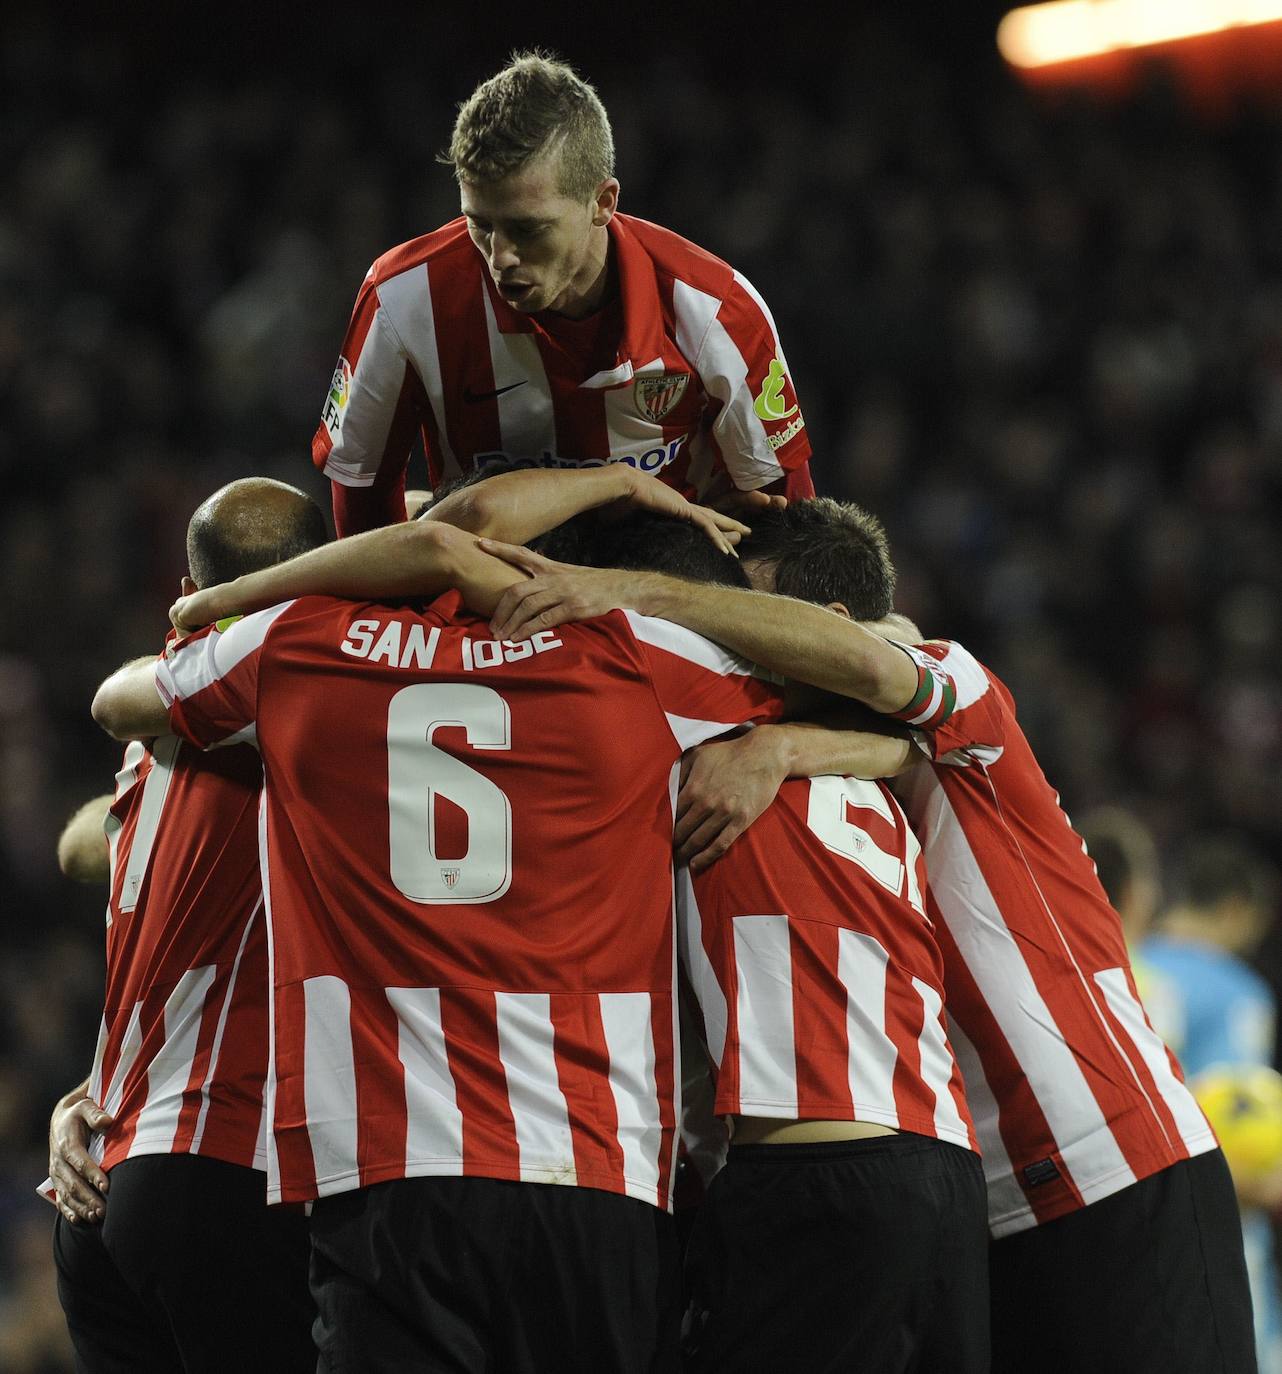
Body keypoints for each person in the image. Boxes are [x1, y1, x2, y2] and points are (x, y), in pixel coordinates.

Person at [478, 495, 1257, 1374]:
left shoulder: (960, 688)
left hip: (1115, 1170)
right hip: (973, 1205)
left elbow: (884, 658)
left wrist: (636, 596)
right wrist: (789, 747)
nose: (735, 652)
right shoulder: (813, 745)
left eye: (758, 620)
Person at [92, 506, 788, 1373]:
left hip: (387, 1175)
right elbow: (843, 656)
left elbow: (118, 702)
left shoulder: (295, 643)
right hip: (595, 1165)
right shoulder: (631, 655)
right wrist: (786, 738)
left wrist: (228, 601)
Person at [50, 478, 325, 1374]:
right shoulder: (301, 697)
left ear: (186, 589)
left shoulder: (150, 743)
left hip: (99, 1167)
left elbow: (75, 847)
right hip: (219, 1163)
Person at [313, 51, 814, 536]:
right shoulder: (401, 298)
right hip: (477, 599)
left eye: (527, 229)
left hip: (660, 600)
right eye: (480, 224)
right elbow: (363, 509)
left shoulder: (717, 311)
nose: (500, 256)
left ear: (602, 202)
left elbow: (787, 520)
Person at [1142, 837, 1282, 1374]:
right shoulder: (1236, 992)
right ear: (1236, 910)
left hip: (1132, 1208)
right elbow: (1237, 1112)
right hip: (1216, 1218)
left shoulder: (1124, 962)